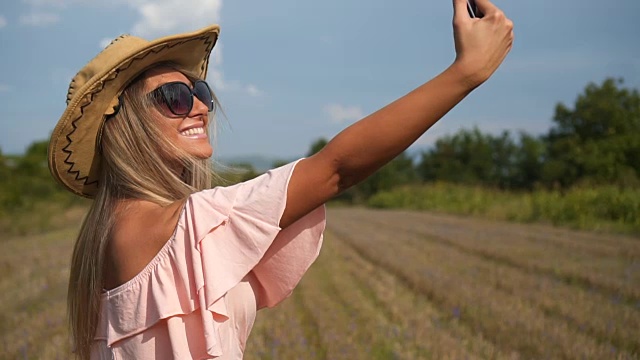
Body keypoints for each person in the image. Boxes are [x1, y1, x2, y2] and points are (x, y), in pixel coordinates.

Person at [48, 0, 513, 358]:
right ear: (125, 124)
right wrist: (465, 73)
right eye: (173, 96)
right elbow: (334, 169)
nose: (200, 106)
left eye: (199, 91)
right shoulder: (179, 225)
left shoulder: (107, 232)